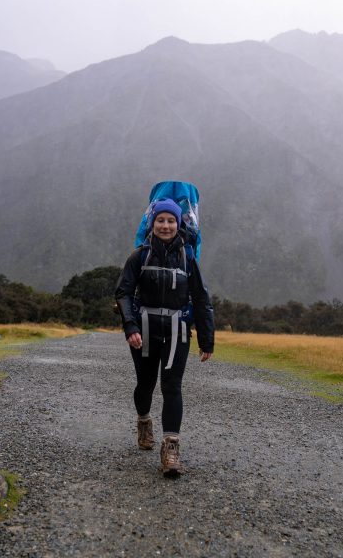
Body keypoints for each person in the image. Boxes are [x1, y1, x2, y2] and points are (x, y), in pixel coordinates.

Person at [115, 198, 215, 477]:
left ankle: (171, 448)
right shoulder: (139, 257)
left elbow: (202, 299)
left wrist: (207, 340)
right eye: (161, 220)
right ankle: (144, 420)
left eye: (171, 220)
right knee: (145, 385)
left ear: (178, 224)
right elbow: (123, 292)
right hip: (144, 331)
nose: (166, 225)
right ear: (152, 223)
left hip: (178, 331)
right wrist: (130, 327)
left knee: (172, 387)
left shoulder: (188, 259)